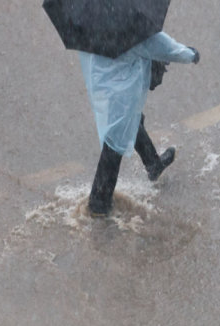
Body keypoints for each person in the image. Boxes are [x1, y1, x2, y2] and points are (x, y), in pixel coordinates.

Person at [79, 31, 200, 217]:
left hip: (102, 86)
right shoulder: (133, 29)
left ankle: (152, 163)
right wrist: (190, 54)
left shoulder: (93, 28)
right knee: (113, 149)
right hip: (122, 91)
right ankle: (98, 205)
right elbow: (164, 47)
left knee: (129, 124)